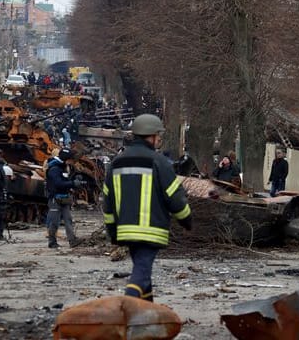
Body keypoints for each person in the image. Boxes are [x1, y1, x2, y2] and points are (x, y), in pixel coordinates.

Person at [103, 114, 192, 302]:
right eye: (157, 135)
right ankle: (128, 305)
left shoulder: (116, 163)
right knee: (141, 271)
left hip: (125, 230)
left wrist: (112, 231)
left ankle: (146, 313)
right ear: (150, 136)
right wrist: (186, 219)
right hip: (151, 230)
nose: (159, 139)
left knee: (143, 271)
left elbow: (108, 202)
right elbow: (174, 197)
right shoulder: (159, 162)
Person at [46, 148, 84, 248]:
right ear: (66, 159)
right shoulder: (54, 169)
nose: (72, 161)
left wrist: (74, 180)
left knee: (68, 219)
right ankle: (52, 242)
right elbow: (58, 183)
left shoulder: (63, 167)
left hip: (64, 197)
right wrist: (72, 183)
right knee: (54, 221)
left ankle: (72, 240)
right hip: (55, 198)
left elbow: (64, 180)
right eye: (71, 159)